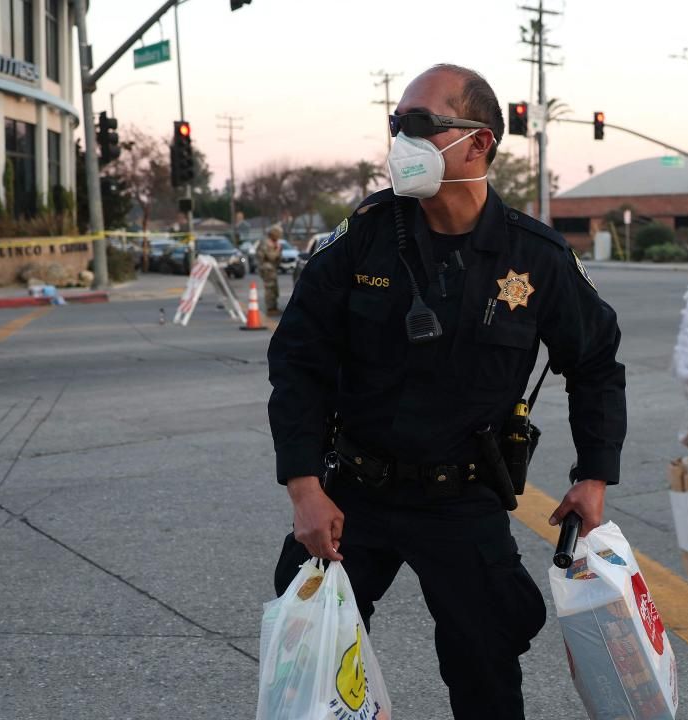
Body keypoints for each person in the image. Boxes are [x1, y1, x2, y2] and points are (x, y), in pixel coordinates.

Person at [266, 64, 626, 720]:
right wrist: (303, 486)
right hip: (352, 492)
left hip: (461, 498)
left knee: (485, 672)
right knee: (307, 667)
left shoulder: (534, 258)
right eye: (396, 124)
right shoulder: (364, 239)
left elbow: (596, 362)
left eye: (420, 125)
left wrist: (595, 475)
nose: (400, 140)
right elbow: (297, 360)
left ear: (480, 143)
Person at [256, 226, 284, 315]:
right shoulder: (267, 243)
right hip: (267, 269)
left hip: (272, 268)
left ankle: (274, 307)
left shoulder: (272, 242)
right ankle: (270, 308)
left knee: (274, 289)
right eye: (278, 234)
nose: (279, 237)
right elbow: (271, 257)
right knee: (270, 288)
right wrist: (278, 249)